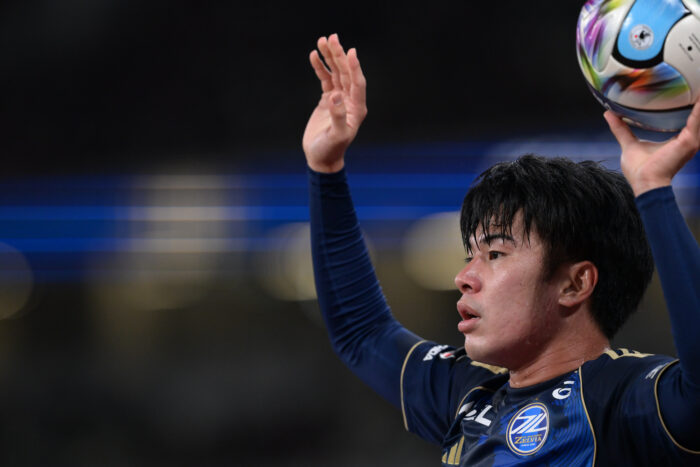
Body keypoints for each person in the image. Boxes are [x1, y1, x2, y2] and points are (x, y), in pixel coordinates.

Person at [302, 33, 700, 465]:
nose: (464, 277)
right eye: (469, 256)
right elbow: (362, 331)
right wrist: (326, 169)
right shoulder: (469, 396)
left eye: (495, 255)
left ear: (575, 283)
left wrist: (654, 191)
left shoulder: (621, 399)